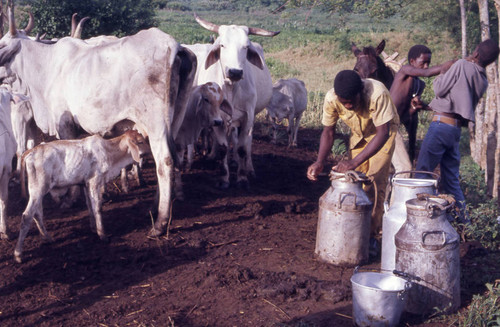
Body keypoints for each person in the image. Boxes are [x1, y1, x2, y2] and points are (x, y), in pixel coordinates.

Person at [307, 70, 399, 256]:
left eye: (352, 101)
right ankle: (354, 228)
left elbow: (383, 133)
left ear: (360, 92)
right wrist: (319, 162)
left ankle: (372, 235)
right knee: (354, 179)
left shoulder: (377, 93)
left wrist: (354, 161)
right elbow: (328, 132)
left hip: (382, 134)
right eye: (344, 102)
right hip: (359, 134)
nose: (348, 105)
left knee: (373, 181)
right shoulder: (332, 98)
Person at [415, 39, 500, 222]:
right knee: (451, 181)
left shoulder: (461, 65)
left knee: (422, 175)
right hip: (454, 131)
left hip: (440, 127)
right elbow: (455, 104)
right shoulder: (482, 80)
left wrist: (445, 69)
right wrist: (426, 106)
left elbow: (439, 89)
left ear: (476, 53)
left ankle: (420, 221)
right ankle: (464, 225)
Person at [390, 45, 455, 165]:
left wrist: (422, 106)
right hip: (388, 124)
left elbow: (410, 109)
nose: (426, 66)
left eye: (428, 63)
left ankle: (411, 155)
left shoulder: (419, 84)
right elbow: (427, 72)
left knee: (403, 163)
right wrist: (456, 63)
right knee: (402, 166)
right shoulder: (405, 70)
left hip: (397, 122)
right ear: (412, 62)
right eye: (423, 63)